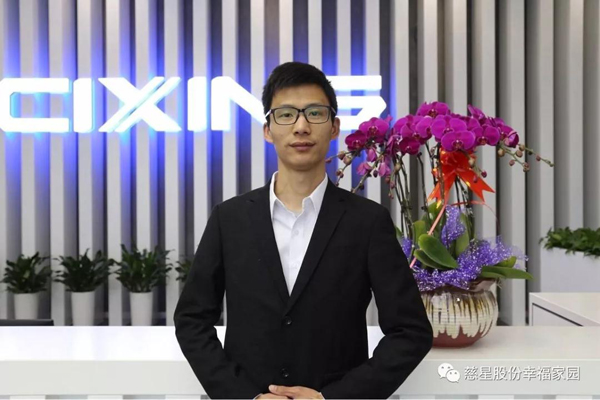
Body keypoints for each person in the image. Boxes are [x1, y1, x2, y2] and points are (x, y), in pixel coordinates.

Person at [174, 62, 433, 399]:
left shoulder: (367, 222)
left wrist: (335, 398)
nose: (300, 126)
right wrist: (244, 395)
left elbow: (411, 332)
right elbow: (192, 321)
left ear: (334, 127)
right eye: (285, 115)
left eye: (315, 113)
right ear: (268, 130)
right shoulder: (230, 219)